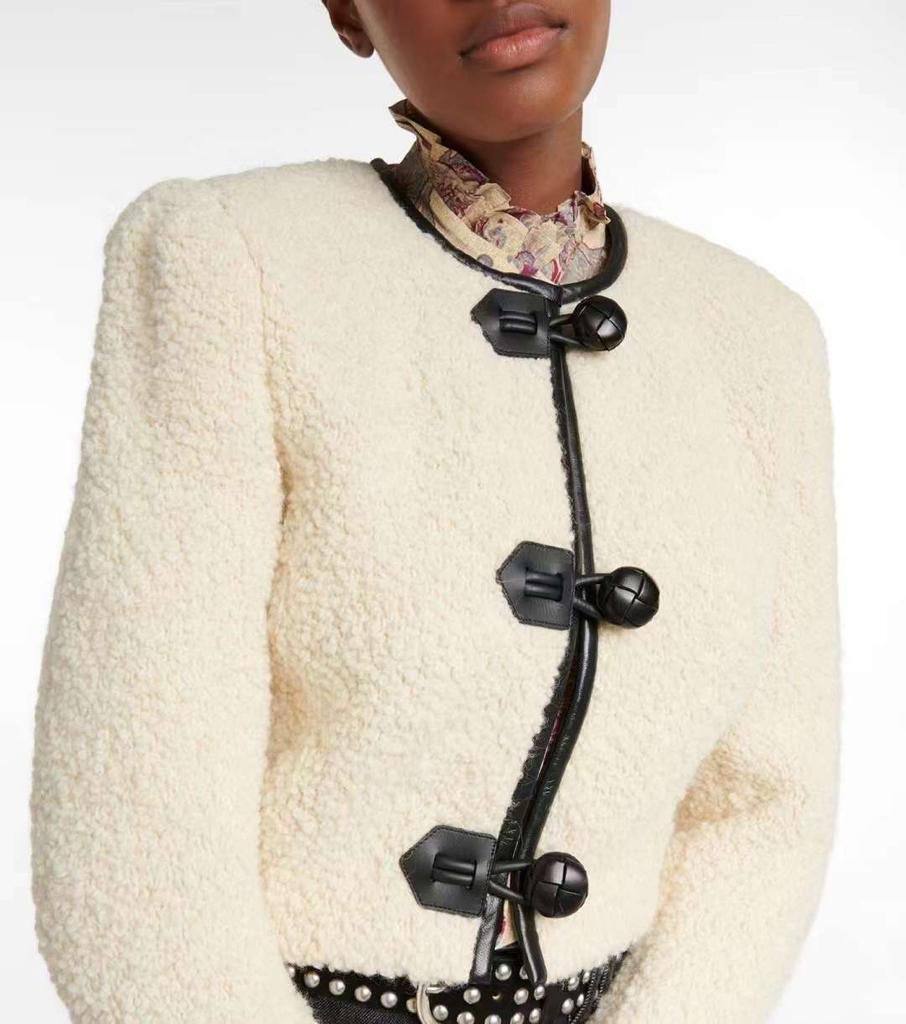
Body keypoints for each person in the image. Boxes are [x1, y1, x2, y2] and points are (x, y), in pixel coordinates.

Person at [30, 1, 841, 1022]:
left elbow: (765, 804)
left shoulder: (758, 337)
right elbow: (133, 809)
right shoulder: (230, 262)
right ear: (347, 12)